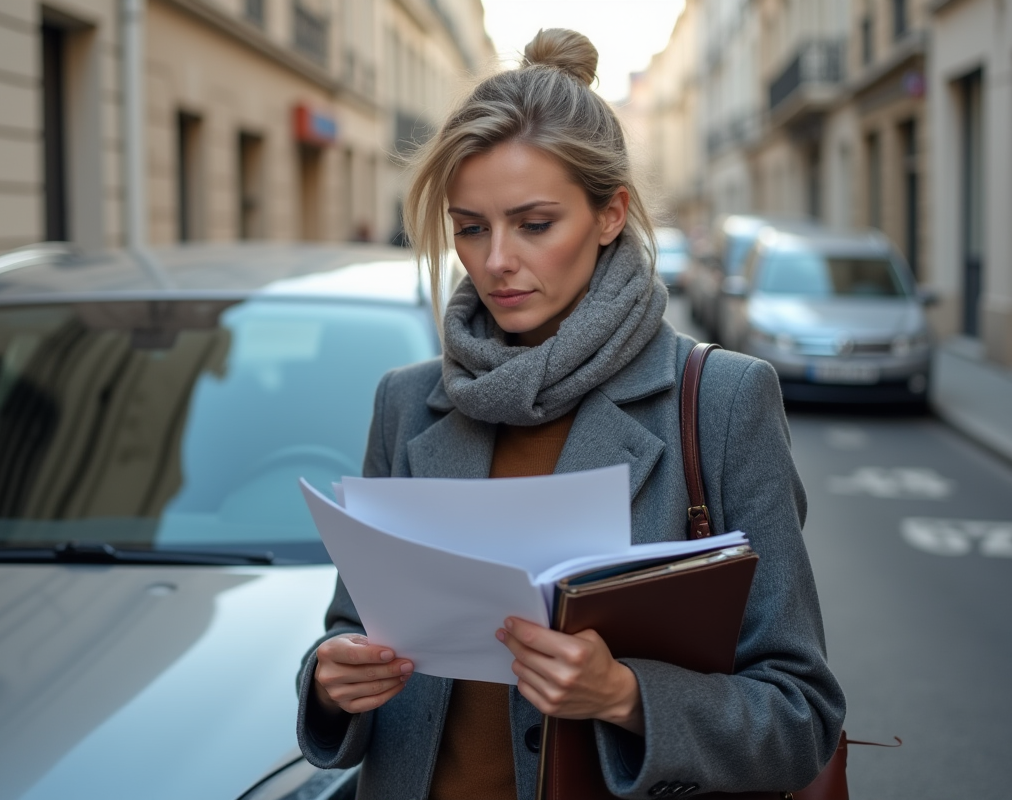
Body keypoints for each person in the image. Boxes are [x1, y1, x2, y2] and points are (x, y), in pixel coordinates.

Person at [295, 28, 846, 800]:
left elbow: (800, 716)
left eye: (534, 223)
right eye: (470, 227)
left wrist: (624, 696)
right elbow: (350, 629)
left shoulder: (719, 401)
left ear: (611, 215)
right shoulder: (405, 402)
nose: (495, 262)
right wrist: (330, 681)